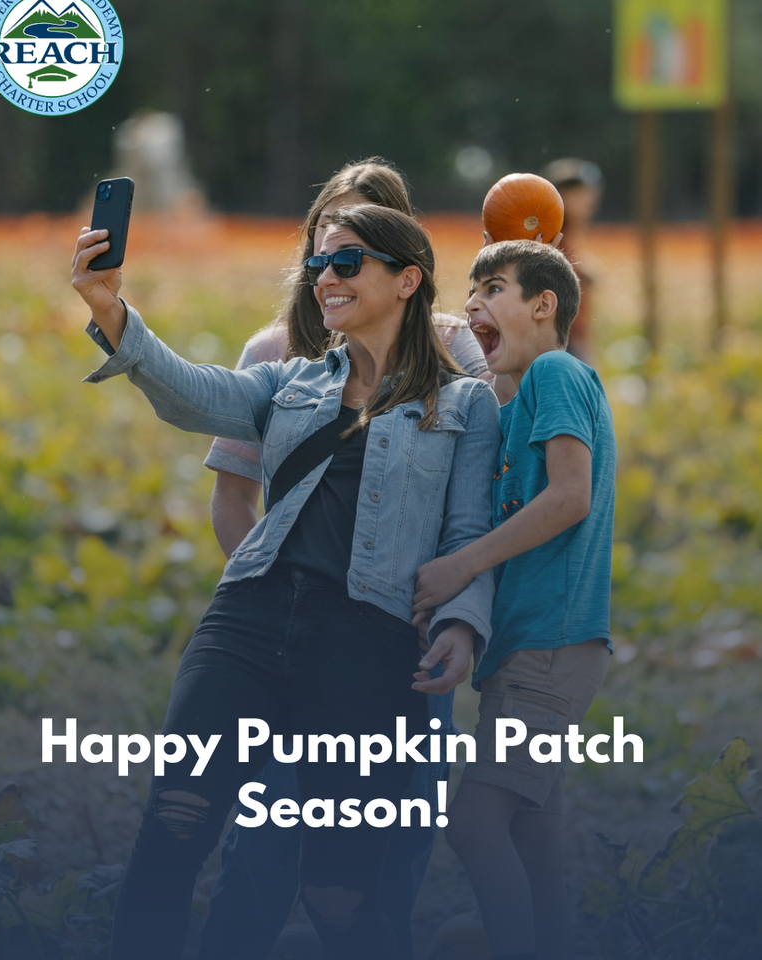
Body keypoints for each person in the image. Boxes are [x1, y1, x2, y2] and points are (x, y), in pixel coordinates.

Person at [71, 203, 501, 960]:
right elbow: (192, 392)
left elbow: (468, 534)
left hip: (369, 645)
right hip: (248, 621)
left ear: (408, 279)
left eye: (346, 263)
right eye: (316, 265)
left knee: (339, 892)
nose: (324, 279)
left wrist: (461, 625)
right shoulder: (290, 381)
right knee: (173, 820)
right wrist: (111, 310)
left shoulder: (463, 401)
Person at [202, 158, 491, 960]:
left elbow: (487, 470)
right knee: (266, 834)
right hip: (286, 643)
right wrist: (274, 607)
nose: (336, 260)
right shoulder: (272, 350)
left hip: (400, 642)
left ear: (406, 265)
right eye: (325, 241)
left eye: (361, 241)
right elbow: (232, 499)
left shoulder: (450, 349)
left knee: (393, 842)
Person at [413, 240, 615, 960]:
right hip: (534, 645)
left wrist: (460, 565)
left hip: (552, 643)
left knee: (472, 823)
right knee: (530, 829)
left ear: (543, 305)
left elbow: (568, 496)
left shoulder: (557, 371)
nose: (473, 304)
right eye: (469, 294)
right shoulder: (522, 391)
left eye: (492, 288)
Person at [541, 158, 605, 365]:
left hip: (571, 330)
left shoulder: (573, 229)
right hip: (558, 333)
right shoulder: (554, 231)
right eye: (582, 195)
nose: (589, 202)